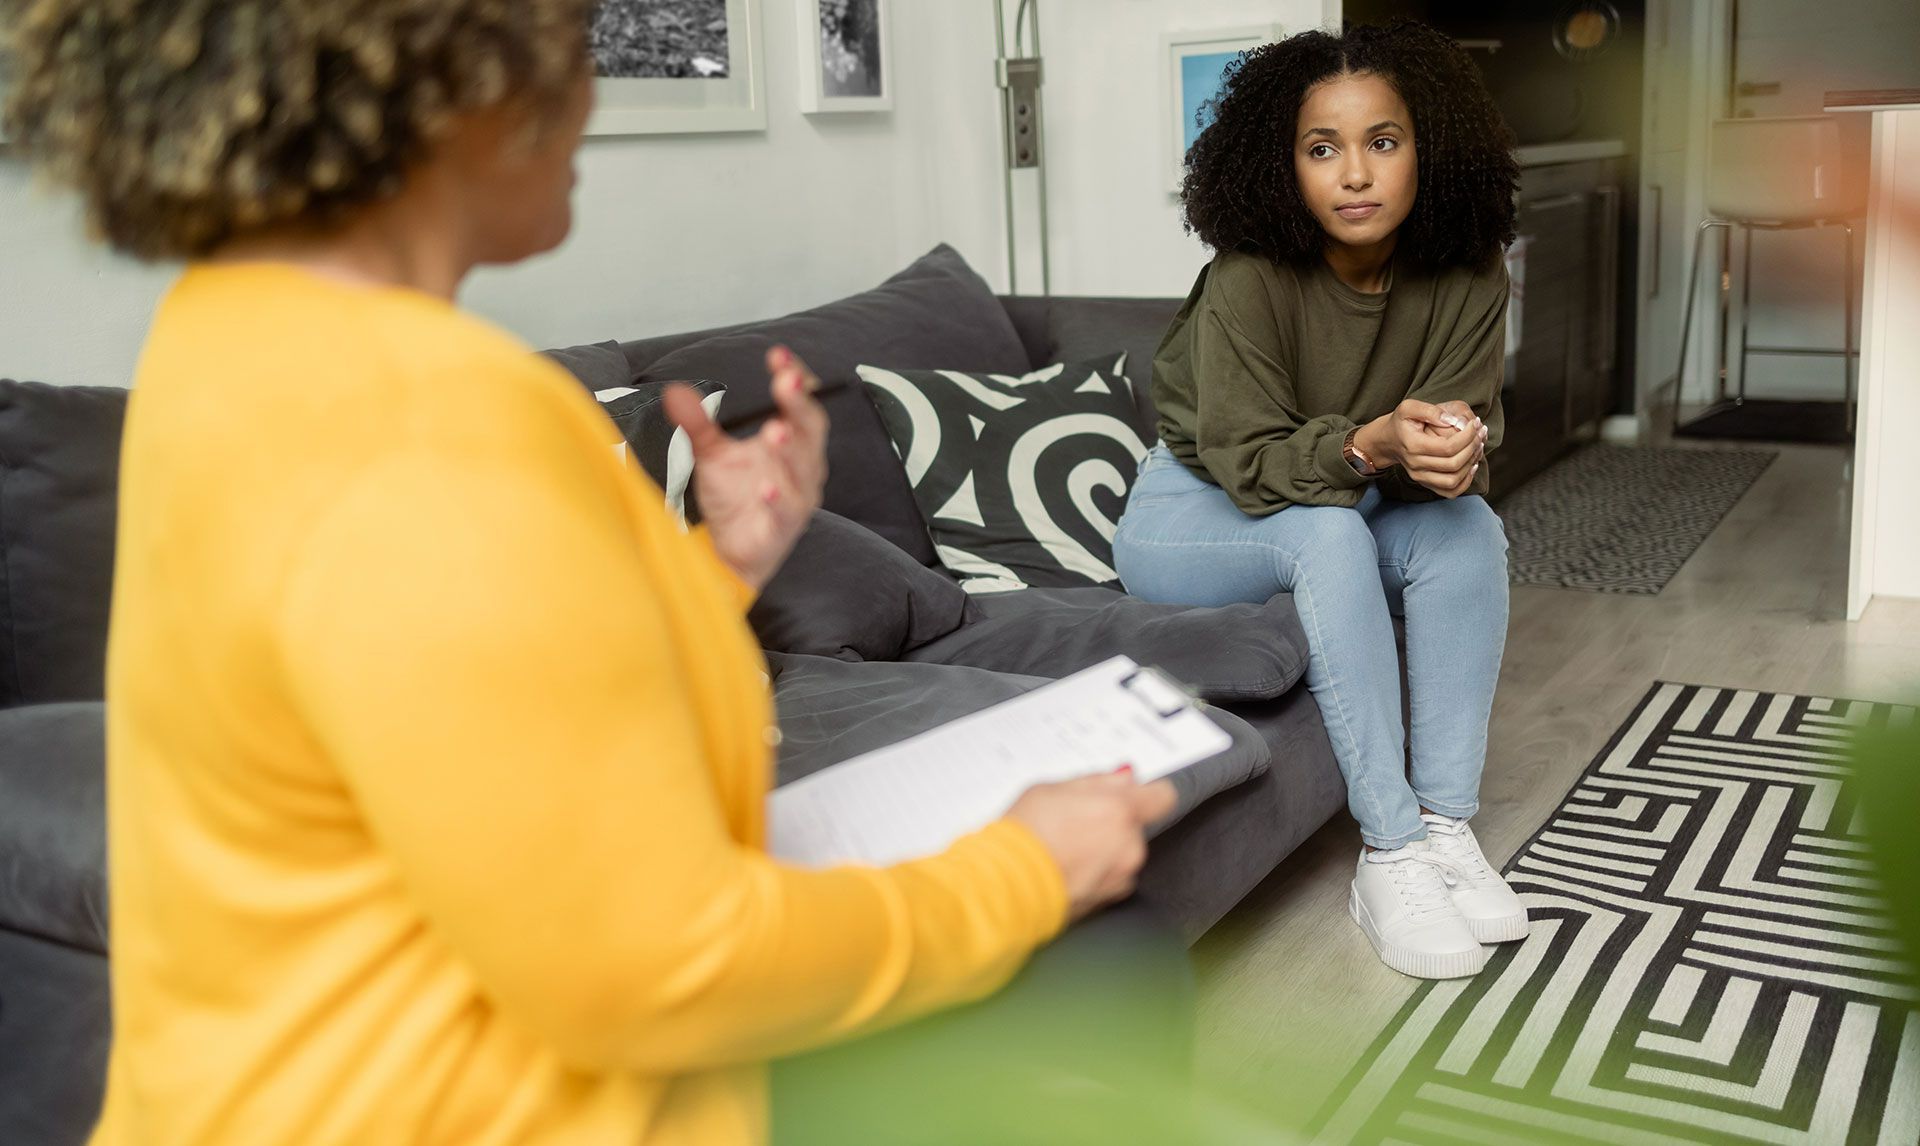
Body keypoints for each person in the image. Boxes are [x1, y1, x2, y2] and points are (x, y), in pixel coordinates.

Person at [1, 2, 1186, 1142]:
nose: (587, 86)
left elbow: (447, 683)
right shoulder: (442, 427)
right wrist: (1025, 870)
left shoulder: (228, 334)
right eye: (571, 32)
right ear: (457, 73)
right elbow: (664, 968)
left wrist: (723, 564)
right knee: (1104, 943)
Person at [1111, 20, 1529, 981]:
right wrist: (1371, 442)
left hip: (1345, 492)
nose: (1354, 175)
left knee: (1466, 530)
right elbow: (1250, 462)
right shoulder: (1250, 275)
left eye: (1382, 142)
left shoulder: (1468, 263)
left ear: (1430, 148)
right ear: (1281, 164)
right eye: (1321, 148)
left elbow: (1472, 421)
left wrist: (1453, 457)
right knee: (1329, 539)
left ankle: (1442, 827)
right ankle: (1388, 852)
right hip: (1195, 504)